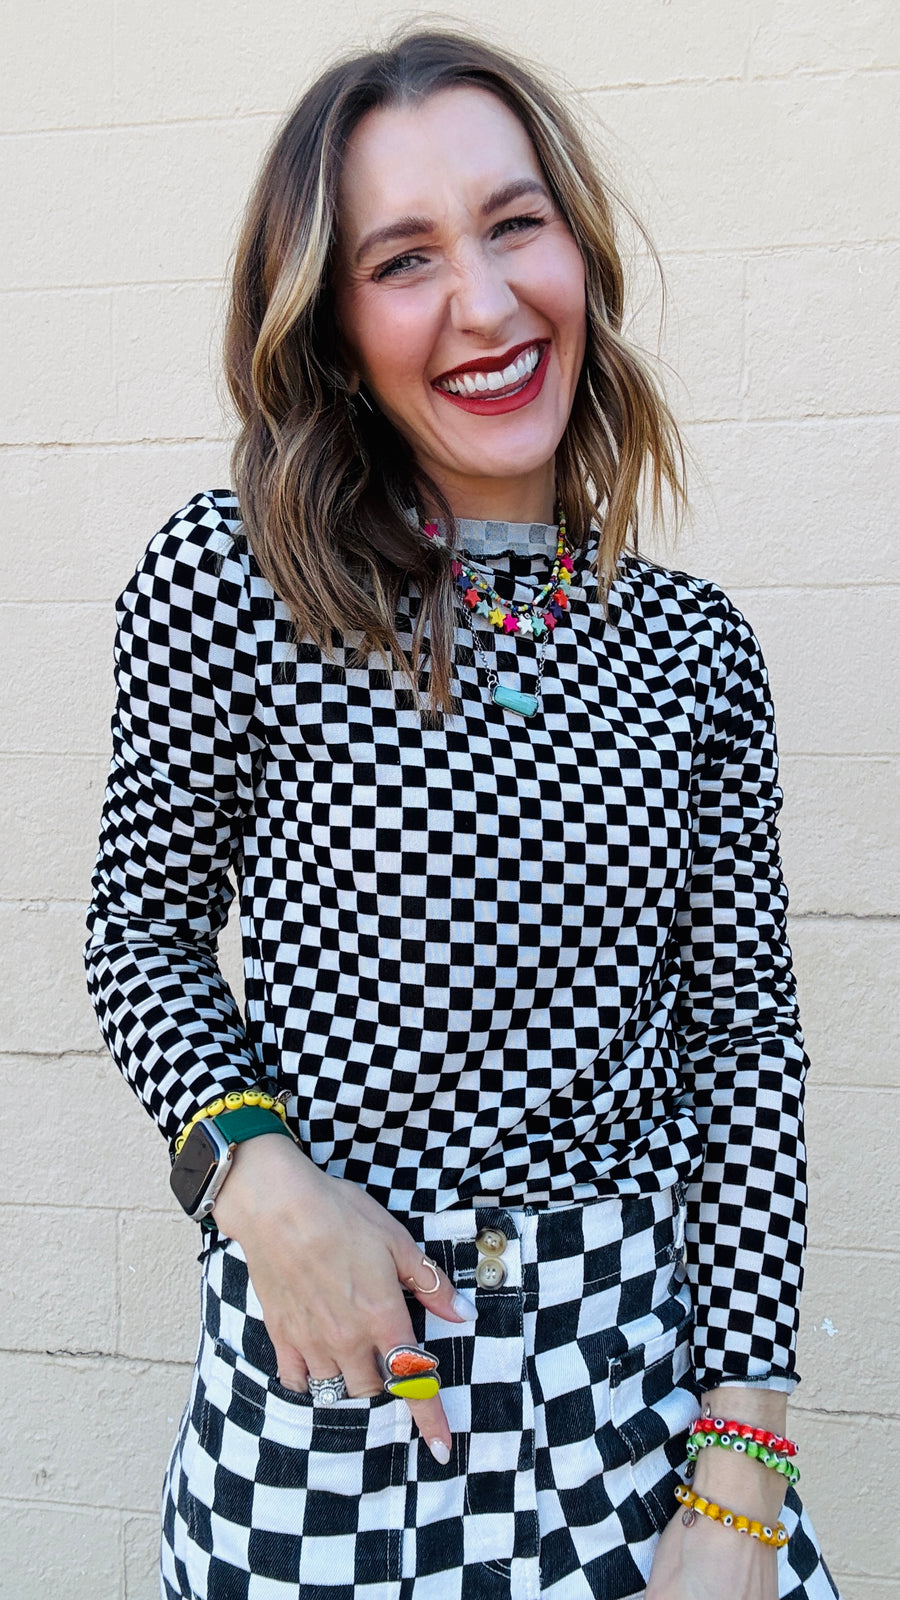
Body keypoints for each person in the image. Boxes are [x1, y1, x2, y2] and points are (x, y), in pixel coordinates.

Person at [84, 28, 841, 1600]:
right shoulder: (232, 586)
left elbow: (747, 1053)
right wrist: (260, 1178)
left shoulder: (690, 650)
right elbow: (139, 935)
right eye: (404, 259)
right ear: (335, 324)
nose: (485, 305)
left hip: (634, 1426)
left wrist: (743, 1472)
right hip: (326, 1419)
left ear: (580, 249)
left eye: (514, 225)